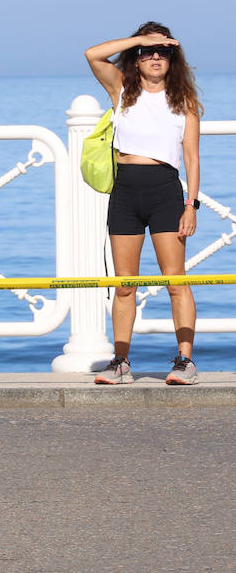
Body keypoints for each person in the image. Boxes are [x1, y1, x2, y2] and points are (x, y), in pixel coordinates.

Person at [86, 22, 202, 385]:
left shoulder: (184, 101)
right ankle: (120, 362)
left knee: (176, 282)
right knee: (124, 284)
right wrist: (141, 39)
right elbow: (93, 54)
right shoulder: (121, 89)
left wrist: (191, 206)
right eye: (148, 52)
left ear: (173, 59)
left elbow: (193, 158)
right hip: (125, 191)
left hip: (165, 191)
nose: (155, 56)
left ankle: (185, 362)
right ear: (136, 59)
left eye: (163, 51)